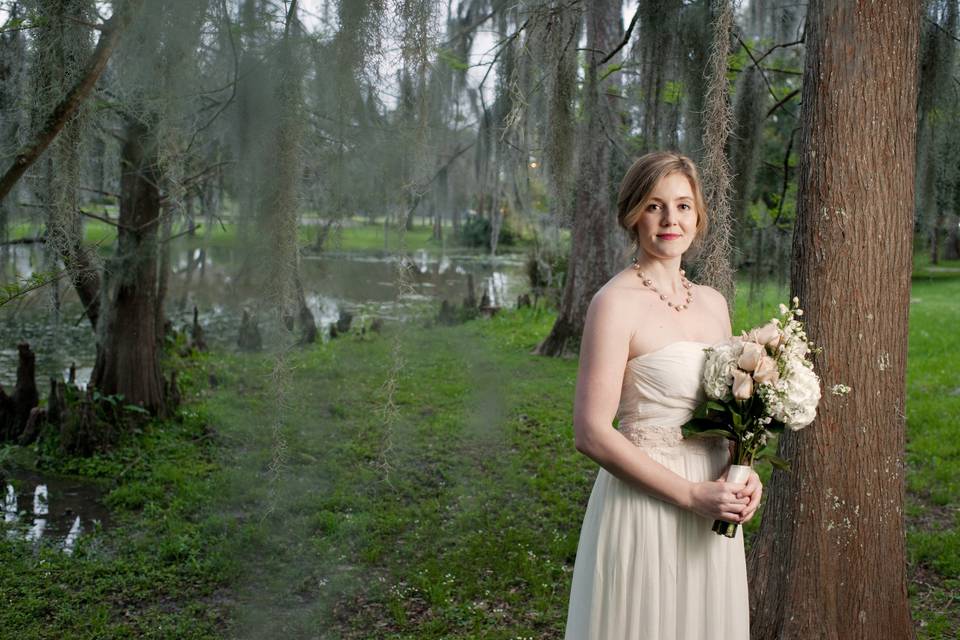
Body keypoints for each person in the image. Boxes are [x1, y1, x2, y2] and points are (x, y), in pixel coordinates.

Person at [563, 151, 762, 639]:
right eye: (655, 206)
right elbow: (590, 433)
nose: (671, 220)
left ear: (698, 216)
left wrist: (746, 472)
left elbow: (729, 410)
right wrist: (690, 495)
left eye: (683, 206)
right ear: (633, 215)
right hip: (646, 503)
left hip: (714, 503)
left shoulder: (714, 304)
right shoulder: (614, 304)